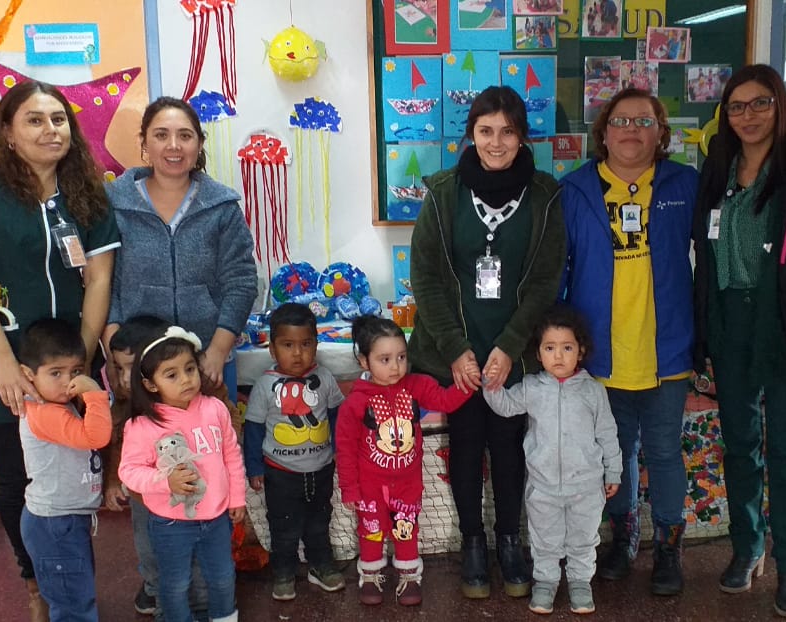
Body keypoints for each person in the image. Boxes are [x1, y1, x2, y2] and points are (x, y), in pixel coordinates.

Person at [0, 80, 119, 622]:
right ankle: (36, 582)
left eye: (59, 119)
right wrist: (3, 363)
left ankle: (70, 579)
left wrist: (76, 365)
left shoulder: (86, 188)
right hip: (1, 362)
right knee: (19, 476)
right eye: (34, 120)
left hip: (69, 361)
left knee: (76, 474)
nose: (50, 129)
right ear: (8, 133)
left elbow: (101, 275)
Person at [691, 64, 786, 619]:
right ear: (725, 115)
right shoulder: (717, 170)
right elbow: (703, 261)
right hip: (729, 322)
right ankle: (747, 547)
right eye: (737, 106)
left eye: (759, 104)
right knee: (737, 445)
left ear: (779, 106)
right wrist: (703, 334)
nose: (748, 115)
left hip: (784, 327)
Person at [408, 85, 566, 599]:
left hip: (513, 351)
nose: (495, 142)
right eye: (485, 131)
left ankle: (508, 539)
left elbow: (545, 280)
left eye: (507, 131)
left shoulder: (545, 195)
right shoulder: (442, 192)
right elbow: (427, 279)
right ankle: (474, 541)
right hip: (456, 353)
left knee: (509, 446)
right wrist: (457, 349)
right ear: (470, 134)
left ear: (523, 136)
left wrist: (510, 346)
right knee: (467, 441)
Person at [558, 87, 698, 595]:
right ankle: (623, 538)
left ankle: (667, 549)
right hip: (600, 351)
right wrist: (554, 346)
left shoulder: (686, 184)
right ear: (603, 132)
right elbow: (559, 270)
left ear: (660, 132)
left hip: (667, 347)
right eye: (621, 121)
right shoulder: (574, 190)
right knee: (613, 454)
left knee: (662, 452)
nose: (632, 130)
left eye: (644, 120)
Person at [105, 96, 258, 407]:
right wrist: (117, 357)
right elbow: (104, 284)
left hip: (204, 362)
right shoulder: (114, 204)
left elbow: (241, 283)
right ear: (144, 142)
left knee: (214, 448)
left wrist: (216, 351)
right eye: (161, 135)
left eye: (185, 136)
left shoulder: (222, 207)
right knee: (145, 451)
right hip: (140, 364)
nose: (173, 145)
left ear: (199, 143)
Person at [482, 306, 622, 615]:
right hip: (543, 487)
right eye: (550, 348)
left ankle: (580, 583)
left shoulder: (593, 391)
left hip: (586, 487)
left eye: (567, 347)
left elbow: (608, 434)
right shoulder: (533, 388)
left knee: (583, 540)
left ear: (580, 351)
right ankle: (545, 582)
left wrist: (613, 470)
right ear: (539, 353)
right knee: (544, 539)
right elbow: (505, 406)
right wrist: (490, 384)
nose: (558, 356)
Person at [336, 315, 474, 607]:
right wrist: (349, 488)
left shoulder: (416, 386)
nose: (396, 366)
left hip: (407, 485)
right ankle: (371, 577)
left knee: (406, 530)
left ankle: (409, 577)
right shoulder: (356, 402)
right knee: (371, 532)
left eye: (401, 357)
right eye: (384, 359)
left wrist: (469, 383)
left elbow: (446, 401)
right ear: (364, 362)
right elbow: (345, 448)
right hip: (370, 487)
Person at [119, 326, 247, 622]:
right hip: (171, 523)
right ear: (151, 385)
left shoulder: (215, 408)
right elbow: (129, 471)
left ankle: (224, 617)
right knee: (175, 583)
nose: (186, 379)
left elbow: (231, 455)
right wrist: (165, 482)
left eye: (190, 369)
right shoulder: (143, 425)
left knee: (223, 577)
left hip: (216, 519)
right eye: (172, 374)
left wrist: (236, 498)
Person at [100, 315, 214, 620]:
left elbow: (220, 428)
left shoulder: (193, 399)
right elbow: (116, 447)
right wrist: (112, 482)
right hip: (144, 500)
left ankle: (195, 599)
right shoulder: (124, 408)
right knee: (150, 550)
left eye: (132, 368)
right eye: (118, 368)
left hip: (189, 497)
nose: (125, 379)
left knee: (193, 553)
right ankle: (155, 588)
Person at [243, 303, 346, 601]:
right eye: (288, 345)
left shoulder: (325, 378)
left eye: (305, 344)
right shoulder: (264, 385)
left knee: (318, 522)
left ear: (316, 344)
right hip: (280, 474)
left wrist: (339, 449)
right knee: (284, 527)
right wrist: (254, 468)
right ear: (273, 349)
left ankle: (321, 566)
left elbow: (337, 415)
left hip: (321, 469)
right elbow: (253, 430)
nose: (298, 353)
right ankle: (284, 571)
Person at [17, 319, 112, 622]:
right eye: (55, 373)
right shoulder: (45, 412)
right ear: (28, 375)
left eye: (76, 372)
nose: (68, 382)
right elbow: (96, 437)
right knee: (73, 603)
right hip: (56, 523)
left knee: (75, 590)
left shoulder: (58, 404)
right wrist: (95, 393)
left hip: (64, 519)